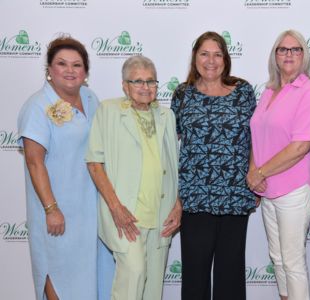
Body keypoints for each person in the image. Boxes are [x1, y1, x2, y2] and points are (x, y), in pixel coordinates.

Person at [86, 55, 181, 300]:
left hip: (161, 214)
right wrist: (115, 207)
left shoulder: (166, 116)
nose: (145, 87)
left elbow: (174, 166)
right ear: (124, 85)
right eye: (137, 81)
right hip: (125, 214)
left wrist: (178, 204)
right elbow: (95, 163)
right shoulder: (108, 110)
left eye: (151, 81)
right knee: (133, 275)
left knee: (152, 287)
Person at [170, 31, 257, 300]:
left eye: (217, 54)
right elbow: (170, 146)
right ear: (195, 57)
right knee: (195, 277)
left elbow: (256, 139)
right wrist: (174, 197)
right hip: (194, 198)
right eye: (204, 54)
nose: (211, 60)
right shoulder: (183, 94)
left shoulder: (243, 91)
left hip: (235, 194)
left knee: (230, 277)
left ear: (226, 59)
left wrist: (254, 177)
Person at [17, 36, 102, 300]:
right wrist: (51, 209)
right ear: (49, 70)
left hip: (89, 213)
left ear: (85, 72)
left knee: (88, 281)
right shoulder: (37, 106)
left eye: (77, 65)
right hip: (57, 214)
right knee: (60, 278)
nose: (69, 70)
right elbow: (34, 161)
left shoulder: (90, 98)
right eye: (62, 63)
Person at [246, 29, 310, 300]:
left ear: (304, 55)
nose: (289, 54)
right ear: (275, 56)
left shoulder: (308, 91)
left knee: (292, 262)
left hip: (294, 187)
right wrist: (252, 174)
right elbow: (258, 136)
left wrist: (260, 173)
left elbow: (301, 146)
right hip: (268, 189)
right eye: (283, 49)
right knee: (278, 258)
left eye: (295, 49)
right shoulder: (269, 92)